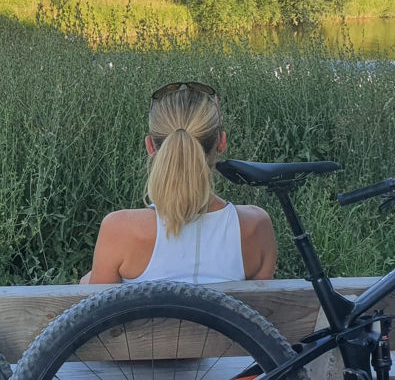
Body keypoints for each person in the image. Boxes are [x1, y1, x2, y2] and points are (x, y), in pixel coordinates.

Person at [81, 82, 277, 284]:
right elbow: (259, 313)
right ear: (221, 142)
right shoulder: (256, 226)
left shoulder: (120, 229)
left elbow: (95, 311)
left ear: (150, 147)